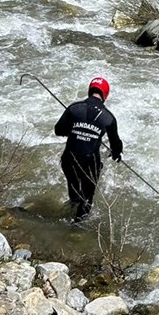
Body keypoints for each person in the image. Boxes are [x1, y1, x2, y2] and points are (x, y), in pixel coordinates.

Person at [54, 77, 123, 221]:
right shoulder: (109, 118)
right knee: (86, 199)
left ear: (89, 90)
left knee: (74, 188)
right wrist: (116, 154)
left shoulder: (74, 108)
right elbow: (116, 146)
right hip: (90, 164)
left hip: (69, 160)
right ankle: (76, 231)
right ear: (106, 95)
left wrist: (75, 130)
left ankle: (72, 204)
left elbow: (58, 130)